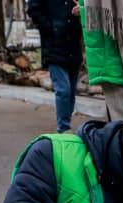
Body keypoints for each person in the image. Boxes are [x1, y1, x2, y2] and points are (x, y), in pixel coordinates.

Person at [28, 0, 83, 134]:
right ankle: (64, 128)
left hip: (74, 44)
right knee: (63, 90)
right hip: (53, 46)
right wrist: (51, 27)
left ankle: (66, 124)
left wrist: (82, 9)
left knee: (71, 92)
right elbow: (33, 10)